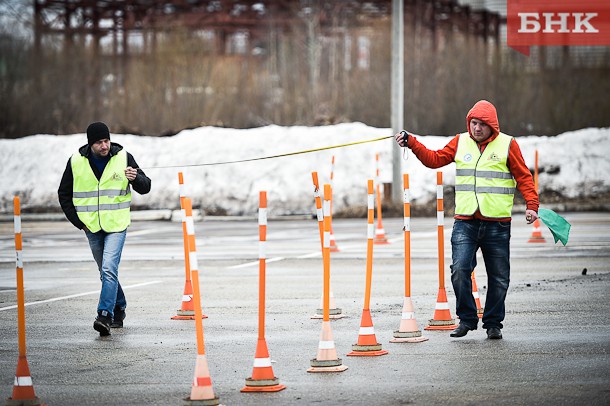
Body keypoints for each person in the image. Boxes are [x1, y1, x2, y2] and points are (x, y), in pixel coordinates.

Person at [394, 100, 539, 340]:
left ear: (492, 126)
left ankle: (493, 324)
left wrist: (532, 205)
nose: (477, 128)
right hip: (466, 222)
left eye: (482, 124)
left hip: (497, 223)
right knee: (460, 270)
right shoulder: (460, 142)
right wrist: (412, 143)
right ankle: (467, 319)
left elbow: (524, 177)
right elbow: (434, 159)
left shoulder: (507, 144)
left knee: (499, 278)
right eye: (474, 123)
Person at [58, 122, 151, 336]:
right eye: (99, 142)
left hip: (117, 224)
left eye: (106, 140)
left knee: (109, 269)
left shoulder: (123, 157)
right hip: (91, 226)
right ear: (91, 143)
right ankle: (119, 307)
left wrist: (136, 178)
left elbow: (146, 186)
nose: (104, 145)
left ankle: (104, 315)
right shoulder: (75, 162)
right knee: (105, 272)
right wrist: (78, 221)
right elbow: (63, 194)